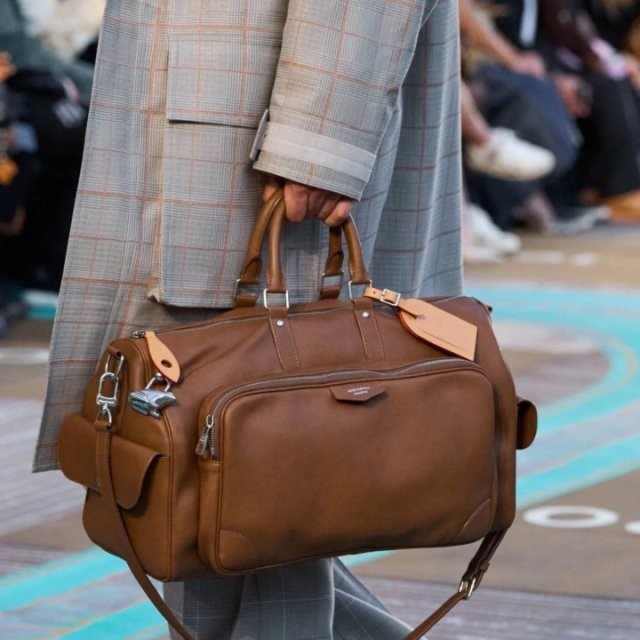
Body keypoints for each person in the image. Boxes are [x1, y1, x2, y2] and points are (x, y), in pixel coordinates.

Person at [33, 0, 464, 638]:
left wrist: (320, 138)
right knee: (218, 490)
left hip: (258, 131)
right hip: (227, 114)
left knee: (252, 469)